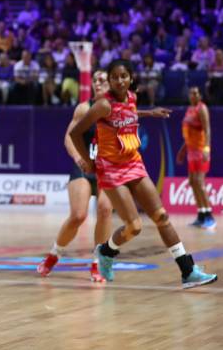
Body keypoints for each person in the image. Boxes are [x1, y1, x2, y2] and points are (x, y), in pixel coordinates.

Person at [69, 59, 217, 288]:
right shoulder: (102, 105)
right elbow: (76, 133)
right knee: (134, 226)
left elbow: (128, 113)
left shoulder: (131, 97)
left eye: (123, 76)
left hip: (134, 163)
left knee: (162, 217)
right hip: (111, 170)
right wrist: (87, 162)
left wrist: (150, 113)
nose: (119, 81)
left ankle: (188, 271)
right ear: (110, 81)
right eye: (115, 77)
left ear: (130, 78)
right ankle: (106, 252)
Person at [38, 70, 172, 281]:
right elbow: (69, 137)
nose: (97, 83)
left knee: (105, 210)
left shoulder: (119, 105)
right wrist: (79, 159)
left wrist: (149, 113)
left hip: (108, 168)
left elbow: (131, 114)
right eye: (95, 80)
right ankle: (54, 255)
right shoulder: (84, 108)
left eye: (102, 80)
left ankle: (96, 263)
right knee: (78, 216)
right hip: (86, 166)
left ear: (110, 84)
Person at [177, 87, 216, 229]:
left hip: (200, 150)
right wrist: (182, 150)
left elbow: (207, 130)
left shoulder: (202, 108)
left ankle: (210, 216)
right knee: (193, 182)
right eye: (191, 93)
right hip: (190, 151)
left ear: (200, 95)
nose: (193, 95)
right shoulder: (189, 109)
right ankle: (201, 215)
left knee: (199, 181)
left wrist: (207, 148)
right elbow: (188, 133)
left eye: (196, 93)